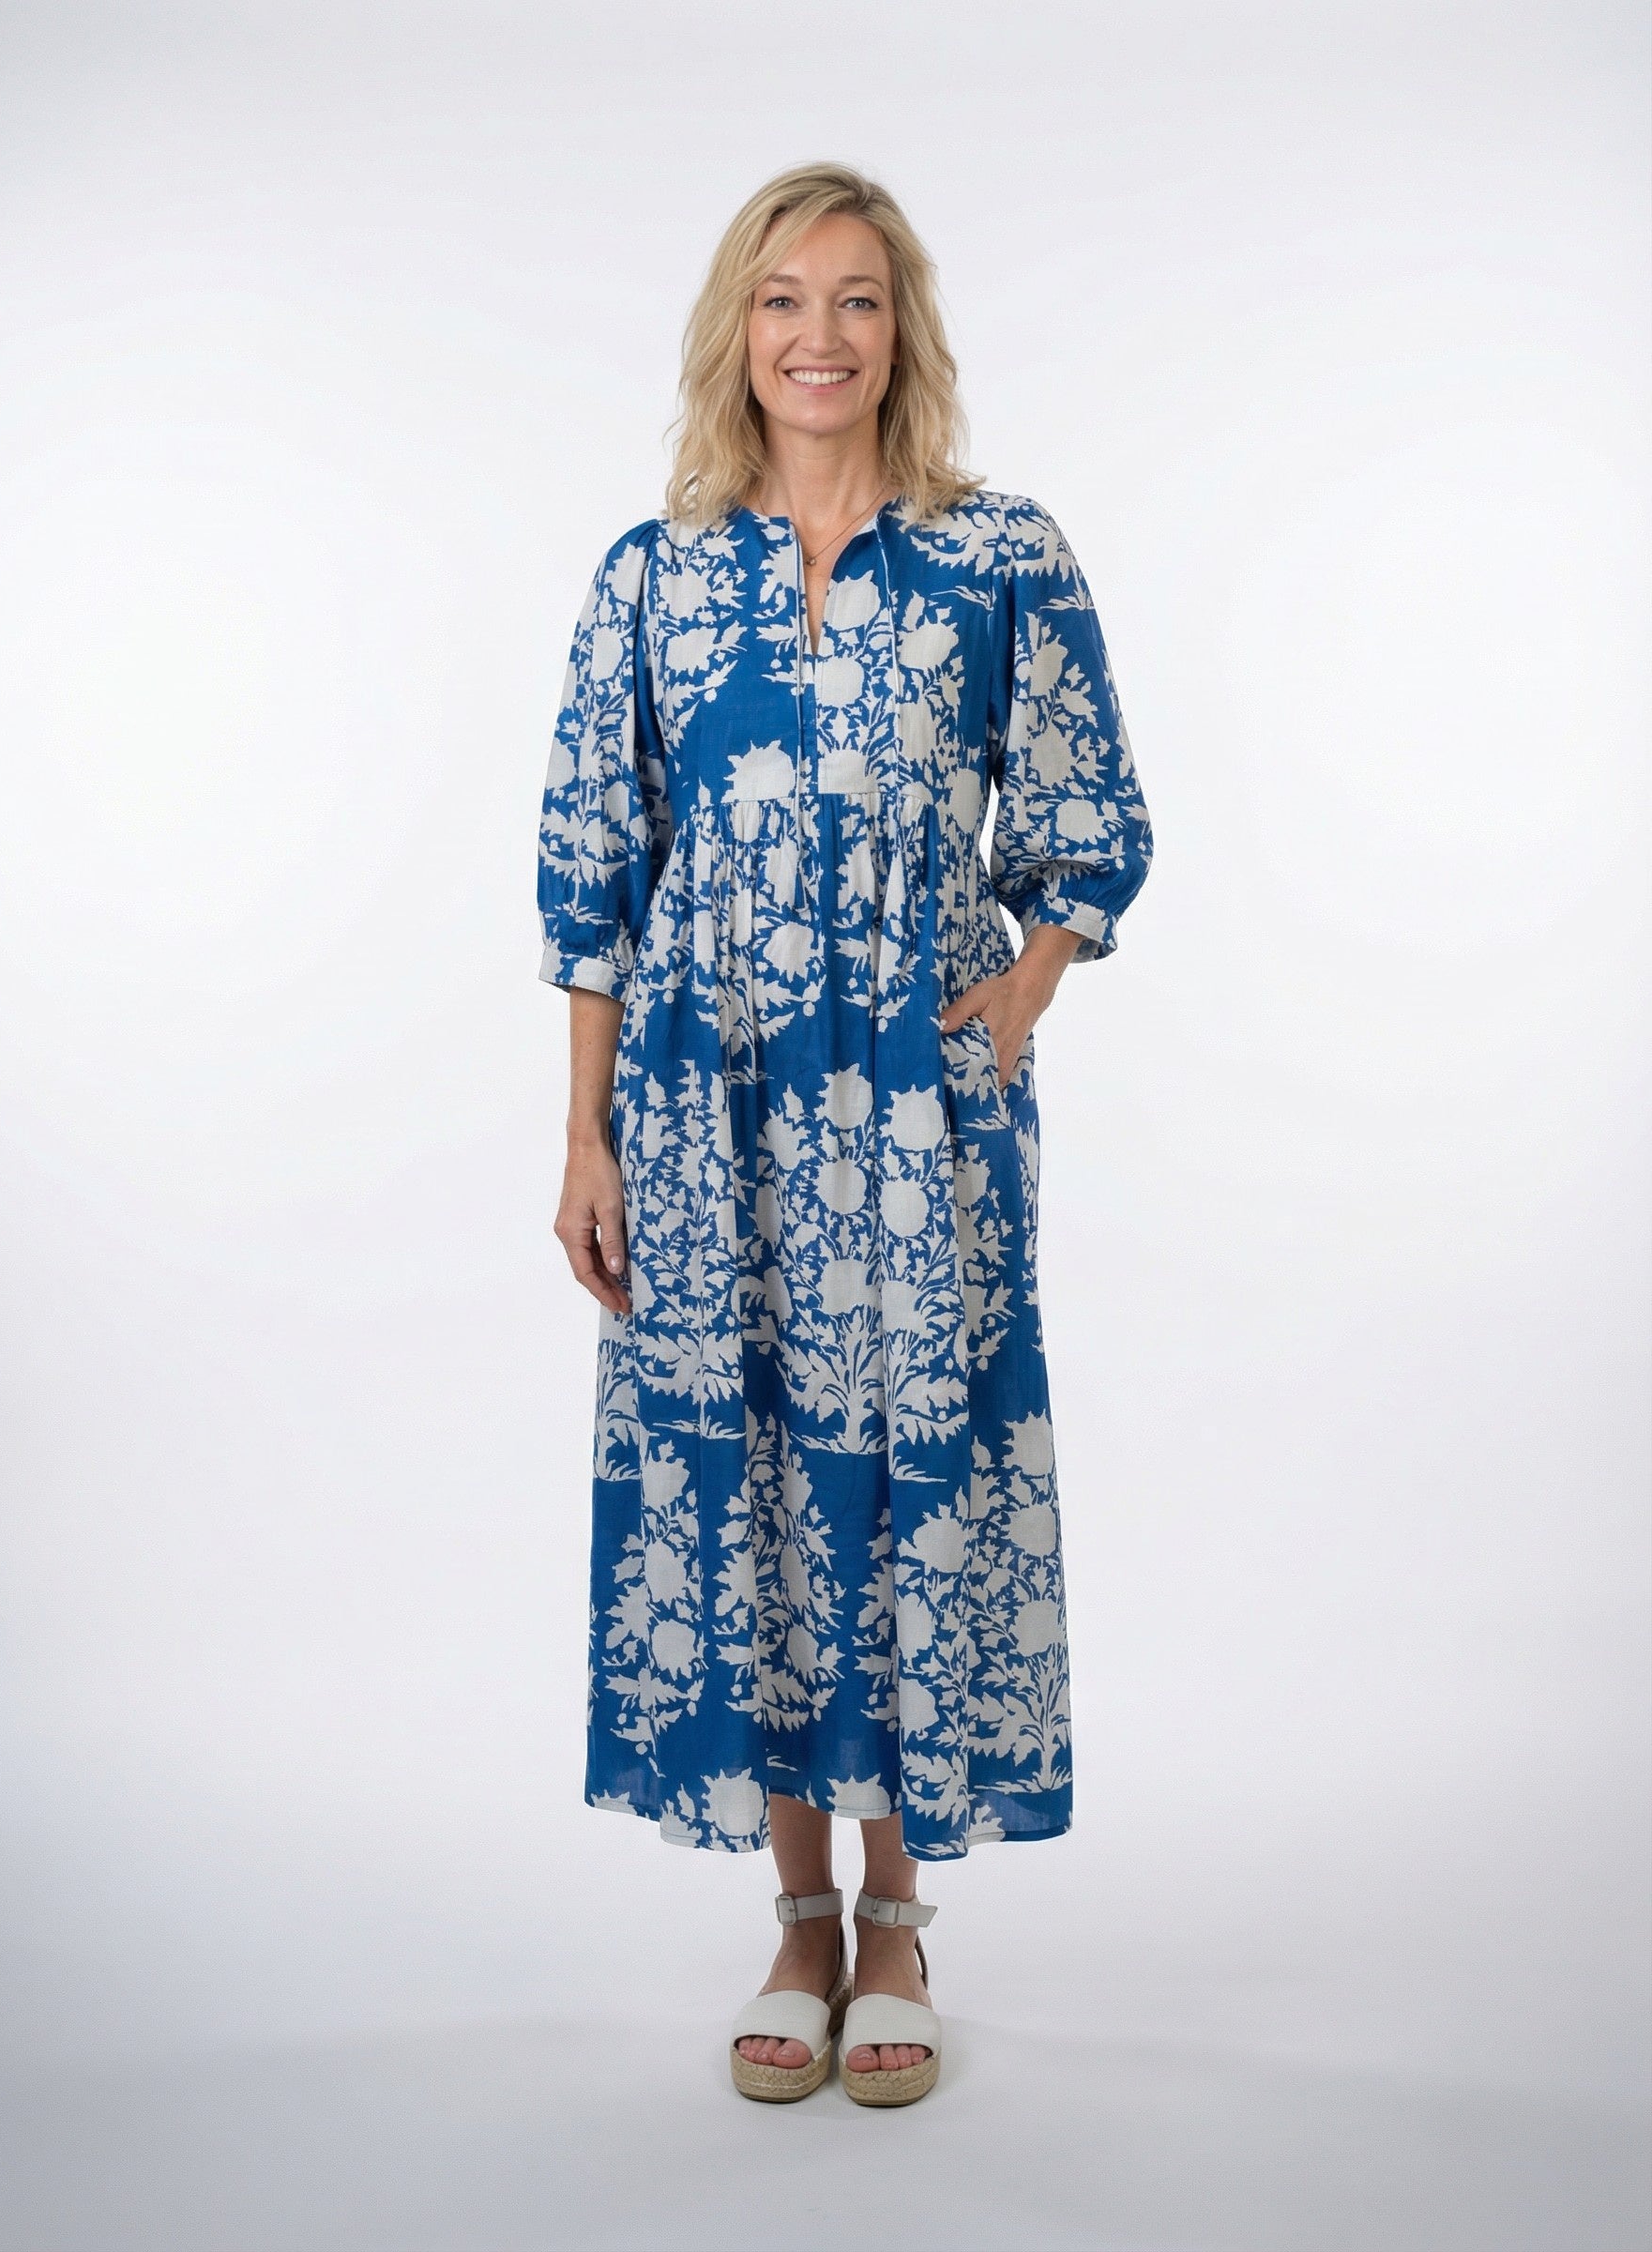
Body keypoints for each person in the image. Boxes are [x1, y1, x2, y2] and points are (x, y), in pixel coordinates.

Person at [538, 160, 1153, 2107]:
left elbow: (1082, 814)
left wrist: (1023, 992)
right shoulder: (652, 577)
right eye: (784, 298)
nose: (820, 335)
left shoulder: (998, 559)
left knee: (907, 1472)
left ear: (904, 333)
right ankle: (792, 1918)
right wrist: (588, 1142)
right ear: (738, 328)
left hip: (914, 1108)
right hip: (703, 1113)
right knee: (750, 1474)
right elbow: (591, 872)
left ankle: (896, 1918)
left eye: (859, 300)